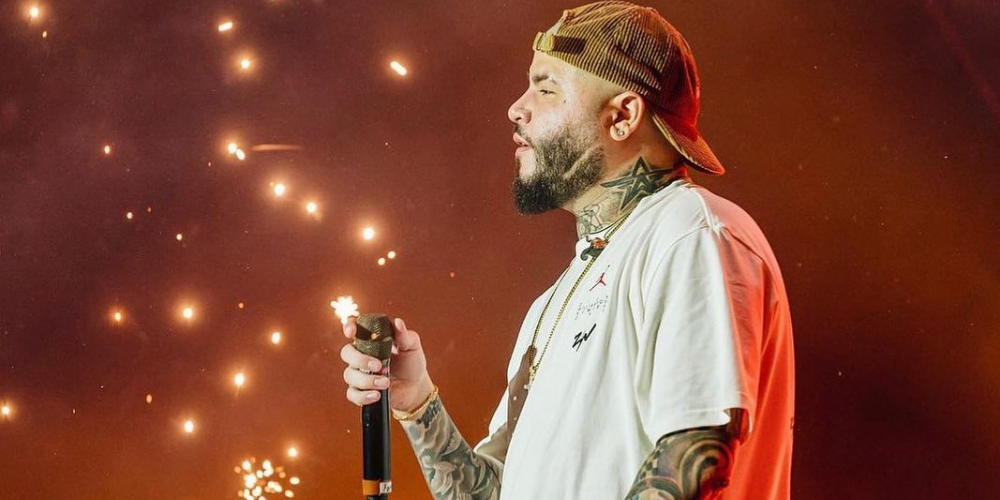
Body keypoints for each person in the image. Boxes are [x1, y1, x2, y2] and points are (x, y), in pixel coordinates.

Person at [340, 2, 794, 499]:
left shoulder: (691, 236)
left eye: (546, 87)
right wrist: (417, 401)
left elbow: (694, 459)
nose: (517, 108)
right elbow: (496, 493)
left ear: (621, 116)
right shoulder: (554, 301)